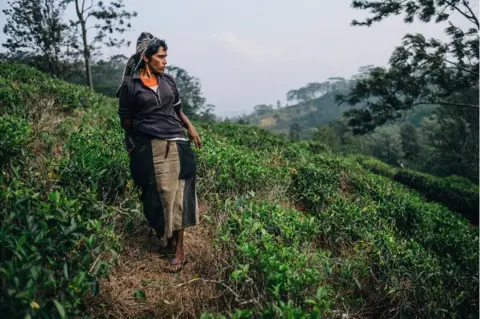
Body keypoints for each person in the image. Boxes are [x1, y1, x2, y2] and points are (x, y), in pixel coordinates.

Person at [117, 33, 202, 273]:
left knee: (178, 194)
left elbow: (177, 109)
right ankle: (169, 241)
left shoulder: (169, 81)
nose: (165, 61)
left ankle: (179, 250)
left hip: (177, 142)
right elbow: (126, 120)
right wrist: (146, 131)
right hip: (150, 146)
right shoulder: (130, 86)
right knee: (153, 194)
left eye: (166, 56)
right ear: (146, 58)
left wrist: (190, 126)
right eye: (160, 57)